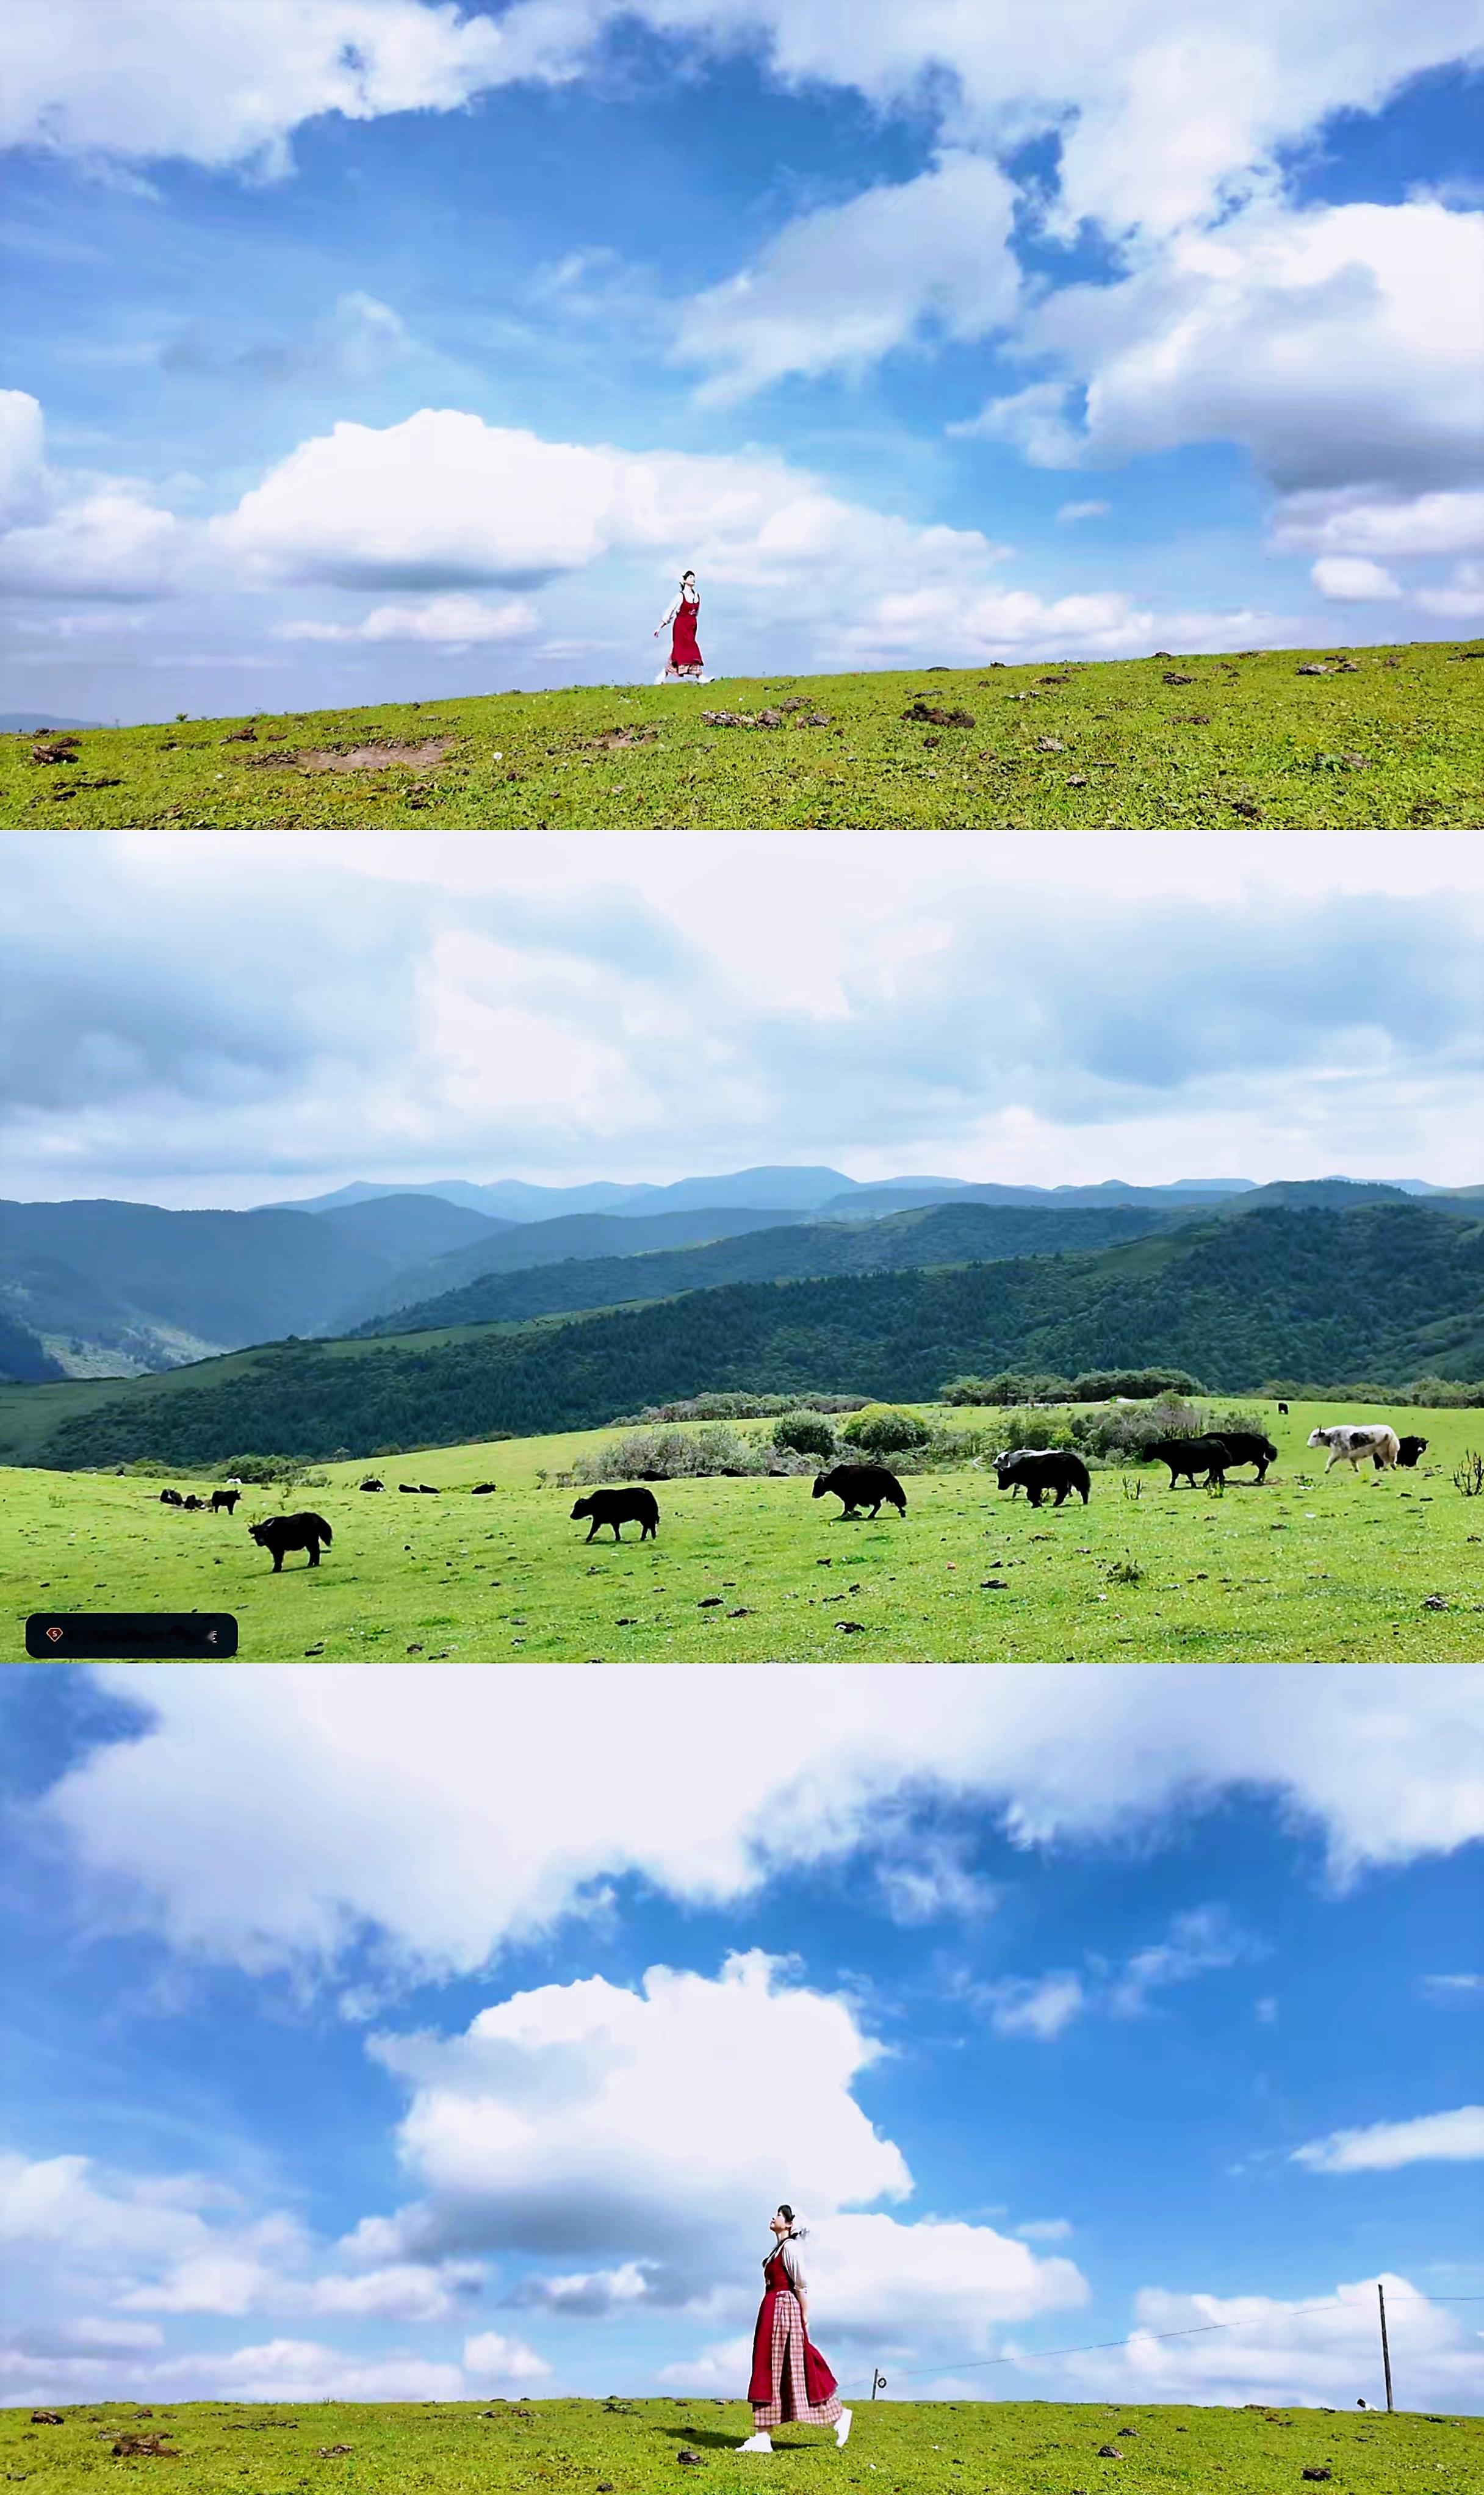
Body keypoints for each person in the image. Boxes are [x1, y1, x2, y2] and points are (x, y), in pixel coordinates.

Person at [737, 2206, 851, 2454]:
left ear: (789, 2224)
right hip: (771, 2307)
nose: (773, 2217)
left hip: (783, 2307)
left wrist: (804, 2318)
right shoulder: (777, 2250)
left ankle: (838, 2415)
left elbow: (801, 2285)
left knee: (792, 2364)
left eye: (779, 2214)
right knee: (769, 2365)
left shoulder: (790, 2249)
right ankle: (763, 2435)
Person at [654, 570, 704, 679]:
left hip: (691, 627)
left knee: (678, 653)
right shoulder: (680, 596)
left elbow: (696, 613)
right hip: (681, 626)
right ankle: (700, 676)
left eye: (694, 577)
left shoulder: (697, 596)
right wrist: (660, 627)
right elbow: (670, 611)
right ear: (685, 581)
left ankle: (663, 674)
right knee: (691, 649)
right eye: (690, 577)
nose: (693, 579)